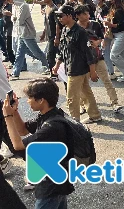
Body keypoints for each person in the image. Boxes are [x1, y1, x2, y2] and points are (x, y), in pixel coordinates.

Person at [2, 79, 74, 208]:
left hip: (51, 185)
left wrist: (7, 117)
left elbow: (17, 145)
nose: (27, 100)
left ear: (41, 100)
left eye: (30, 97)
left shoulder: (52, 126)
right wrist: (14, 112)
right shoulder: (49, 114)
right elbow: (22, 130)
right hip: (58, 179)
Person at [52, 5, 102, 123]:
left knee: (72, 98)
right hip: (72, 67)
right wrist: (57, 65)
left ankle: (74, 122)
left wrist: (93, 72)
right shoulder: (65, 30)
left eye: (61, 16)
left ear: (69, 16)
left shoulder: (80, 32)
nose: (59, 18)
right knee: (86, 92)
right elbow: (63, 50)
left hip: (78, 69)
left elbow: (89, 52)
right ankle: (95, 115)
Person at [74, 5, 123, 113]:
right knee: (83, 85)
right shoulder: (75, 28)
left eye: (87, 13)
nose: (87, 16)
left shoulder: (95, 24)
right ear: (78, 16)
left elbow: (101, 37)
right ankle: (83, 105)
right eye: (84, 14)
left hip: (97, 57)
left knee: (107, 80)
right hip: (84, 61)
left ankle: (115, 103)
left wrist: (97, 42)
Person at [10, 0, 49, 79]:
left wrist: (14, 18)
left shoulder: (24, 6)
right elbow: (14, 18)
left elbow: (20, 21)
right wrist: (14, 18)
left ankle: (48, 65)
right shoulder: (16, 6)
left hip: (27, 33)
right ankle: (16, 73)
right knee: (19, 53)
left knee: (36, 51)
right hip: (21, 33)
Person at [104, 0, 124, 82]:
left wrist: (110, 25)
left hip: (122, 34)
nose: (107, 1)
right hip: (117, 34)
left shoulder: (119, 10)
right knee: (121, 55)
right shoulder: (113, 9)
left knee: (113, 55)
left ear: (114, 0)